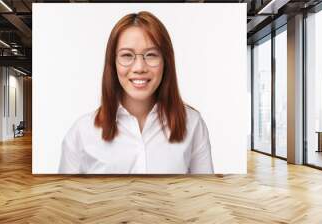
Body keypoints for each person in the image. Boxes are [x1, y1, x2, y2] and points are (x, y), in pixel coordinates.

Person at [59, 11, 213, 174]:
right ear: (113, 63)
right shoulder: (82, 131)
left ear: (166, 61)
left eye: (151, 55)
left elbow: (205, 194)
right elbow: (66, 198)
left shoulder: (193, 124)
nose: (139, 67)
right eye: (127, 55)